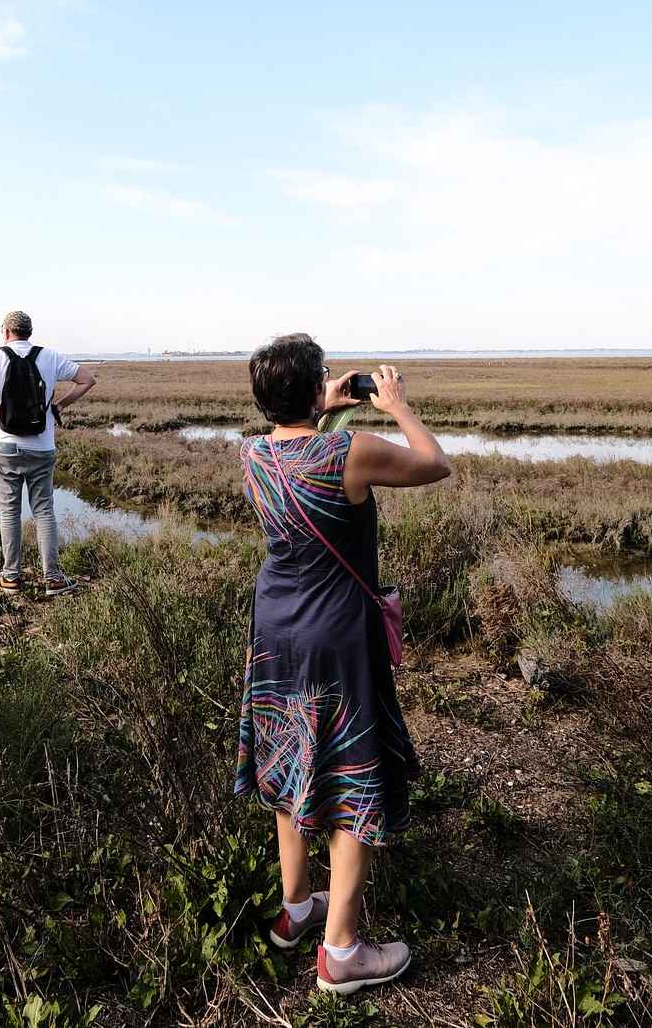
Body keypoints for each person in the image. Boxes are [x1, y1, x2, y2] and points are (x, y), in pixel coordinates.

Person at [233, 335, 451, 996]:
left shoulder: (252, 453)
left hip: (275, 625)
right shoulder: (349, 451)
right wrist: (395, 404)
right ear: (313, 387)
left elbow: (299, 452)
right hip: (335, 633)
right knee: (351, 777)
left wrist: (316, 405)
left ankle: (297, 908)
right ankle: (342, 952)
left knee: (292, 759)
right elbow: (434, 463)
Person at [0, 311, 98, 595]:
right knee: (44, 510)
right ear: (29, 332)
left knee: (9, 511)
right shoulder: (50, 356)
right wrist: (58, 406)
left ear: (7, 331)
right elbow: (87, 380)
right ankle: (54, 579)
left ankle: (11, 578)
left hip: (6, 447)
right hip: (42, 448)